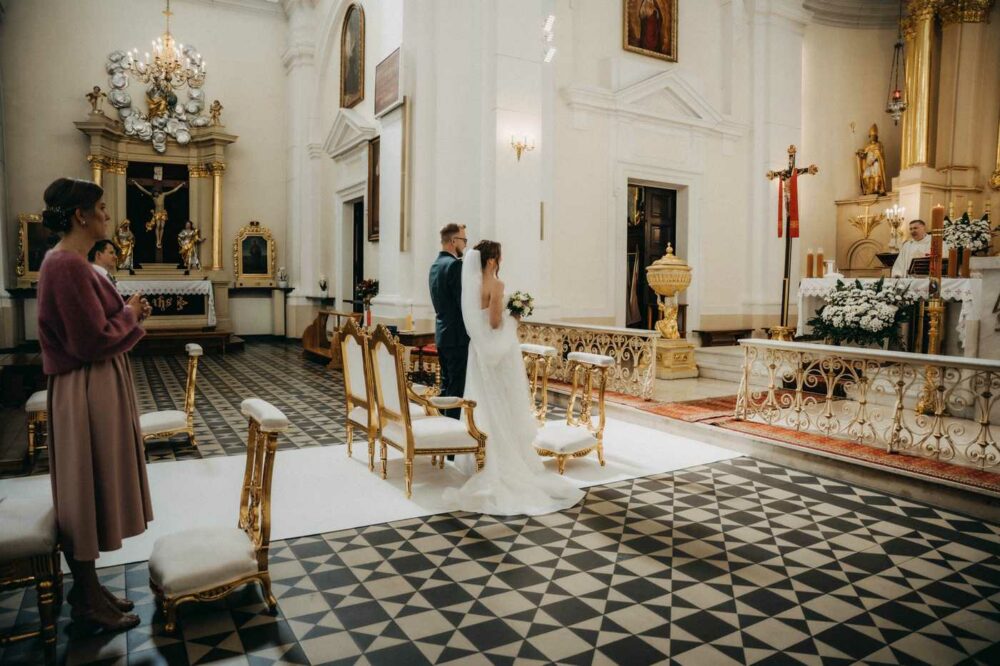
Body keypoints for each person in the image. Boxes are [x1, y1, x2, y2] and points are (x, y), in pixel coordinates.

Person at [37, 177, 153, 633]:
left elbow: (91, 327)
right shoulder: (66, 264)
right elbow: (89, 340)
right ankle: (86, 598)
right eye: (101, 207)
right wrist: (132, 314)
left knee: (92, 483)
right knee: (84, 486)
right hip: (85, 386)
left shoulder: (69, 262)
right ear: (80, 215)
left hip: (93, 383)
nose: (107, 215)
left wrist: (125, 314)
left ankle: (88, 588)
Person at [443, 241, 584, 516]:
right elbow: (496, 322)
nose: (501, 260)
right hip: (499, 350)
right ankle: (505, 457)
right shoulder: (496, 284)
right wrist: (515, 316)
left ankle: (479, 458)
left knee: (484, 402)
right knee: (503, 402)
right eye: (499, 256)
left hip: (479, 351)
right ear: (492, 260)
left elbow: (479, 319)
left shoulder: (472, 285)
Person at [429, 224, 469, 419]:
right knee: (456, 388)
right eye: (464, 240)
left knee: (446, 385)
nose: (465, 245)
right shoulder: (455, 265)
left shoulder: (435, 265)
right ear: (454, 241)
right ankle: (451, 430)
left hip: (442, 334)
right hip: (457, 336)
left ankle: (440, 425)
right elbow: (463, 304)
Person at [856, 124, 887, 196]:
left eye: (874, 136)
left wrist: (875, 157)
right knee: (866, 175)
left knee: (877, 174)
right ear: (869, 136)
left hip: (876, 163)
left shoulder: (879, 144)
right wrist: (860, 154)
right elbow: (864, 154)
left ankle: (876, 188)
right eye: (872, 136)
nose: (873, 138)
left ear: (877, 137)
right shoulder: (867, 146)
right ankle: (868, 189)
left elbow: (879, 154)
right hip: (869, 165)